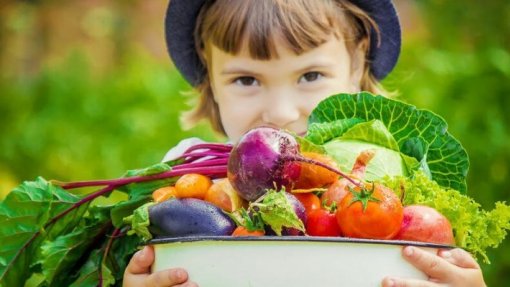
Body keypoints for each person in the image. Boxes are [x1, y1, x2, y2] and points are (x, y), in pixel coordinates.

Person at [123, 0, 487, 286]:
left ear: (358, 63)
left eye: (310, 75)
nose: (281, 113)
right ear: (211, 75)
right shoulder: (182, 177)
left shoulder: (401, 189)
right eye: (246, 80)